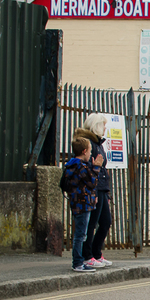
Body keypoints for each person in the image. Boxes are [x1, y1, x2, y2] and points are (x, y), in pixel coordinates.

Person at [75, 113, 113, 269]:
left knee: (105, 222)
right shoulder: (89, 143)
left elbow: (102, 168)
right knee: (91, 224)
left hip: (102, 187)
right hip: (93, 188)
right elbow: (90, 168)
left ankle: (97, 253)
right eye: (103, 125)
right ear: (96, 125)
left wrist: (107, 192)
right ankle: (87, 255)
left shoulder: (99, 143)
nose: (105, 128)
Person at [64, 136, 103, 273]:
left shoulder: (71, 164)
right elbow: (92, 182)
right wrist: (96, 167)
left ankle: (79, 261)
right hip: (83, 204)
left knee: (80, 233)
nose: (90, 154)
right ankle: (78, 262)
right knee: (80, 235)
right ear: (84, 151)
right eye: (90, 151)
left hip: (76, 203)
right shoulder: (81, 166)